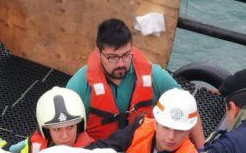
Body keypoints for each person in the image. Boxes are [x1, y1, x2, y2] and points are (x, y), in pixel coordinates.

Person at [66, 18, 204, 146]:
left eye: (126, 55)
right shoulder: (80, 85)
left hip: (143, 151)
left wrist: (201, 150)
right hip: (99, 152)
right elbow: (62, 127)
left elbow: (189, 107)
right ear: (98, 52)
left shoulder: (153, 75)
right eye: (112, 57)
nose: (121, 63)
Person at [88, 87, 198, 153]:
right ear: (156, 123)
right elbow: (102, 147)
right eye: (166, 127)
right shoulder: (139, 128)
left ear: (188, 131)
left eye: (179, 131)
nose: (171, 136)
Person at [10, 86, 94, 153]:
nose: (65, 136)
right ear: (46, 131)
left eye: (70, 127)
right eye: (56, 129)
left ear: (79, 126)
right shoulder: (35, 142)